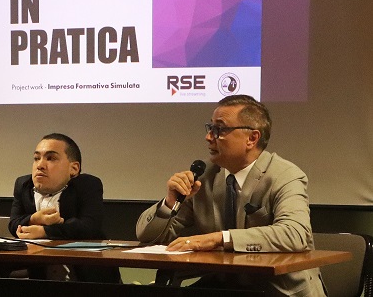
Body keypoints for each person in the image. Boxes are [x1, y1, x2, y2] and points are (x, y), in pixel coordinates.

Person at [136, 95, 326, 296]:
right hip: (222, 286)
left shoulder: (284, 175)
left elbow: (295, 234)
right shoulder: (205, 176)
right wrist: (170, 203)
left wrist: (219, 239)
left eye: (219, 129)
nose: (209, 137)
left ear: (252, 138)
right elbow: (148, 236)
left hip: (277, 290)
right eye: (210, 128)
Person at [1, 133, 119, 283]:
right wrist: (34, 219)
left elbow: (89, 226)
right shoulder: (23, 185)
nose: (40, 165)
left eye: (51, 158)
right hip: (43, 280)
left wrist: (44, 231)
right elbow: (13, 224)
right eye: (36, 158)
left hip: (90, 278)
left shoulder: (88, 185)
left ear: (74, 168)